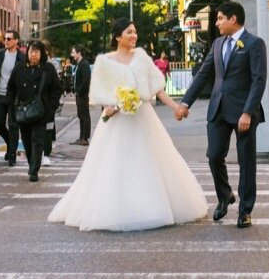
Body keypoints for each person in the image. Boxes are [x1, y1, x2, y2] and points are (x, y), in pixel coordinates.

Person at [48, 18, 207, 231]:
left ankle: (150, 207)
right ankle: (116, 208)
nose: (134, 36)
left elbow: (157, 88)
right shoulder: (106, 61)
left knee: (147, 160)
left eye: (135, 32)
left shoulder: (142, 58)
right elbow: (100, 92)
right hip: (116, 119)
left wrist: (175, 107)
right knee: (116, 163)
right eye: (129, 32)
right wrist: (111, 106)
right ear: (117, 37)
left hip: (142, 116)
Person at [180, 1, 267, 229]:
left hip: (243, 113)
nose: (217, 23)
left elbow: (259, 81)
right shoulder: (218, 44)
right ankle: (224, 195)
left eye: (219, 19)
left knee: (246, 162)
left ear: (233, 19)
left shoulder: (254, 44)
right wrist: (185, 102)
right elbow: (203, 75)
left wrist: (248, 112)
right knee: (214, 155)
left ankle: (245, 210)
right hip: (218, 110)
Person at [7, 40, 61, 182]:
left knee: (37, 140)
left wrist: (52, 106)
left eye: (36, 52)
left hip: (41, 112)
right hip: (23, 112)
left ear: (42, 53)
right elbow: (11, 88)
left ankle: (34, 170)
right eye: (31, 51)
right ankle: (32, 163)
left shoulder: (48, 69)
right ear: (27, 52)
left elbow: (56, 89)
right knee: (26, 140)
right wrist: (11, 105)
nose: (33, 55)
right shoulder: (19, 68)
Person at [0, 29, 25, 166]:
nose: (6, 41)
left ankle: (12, 155)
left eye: (9, 39)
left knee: (14, 125)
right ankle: (10, 143)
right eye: (5, 39)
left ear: (16, 41)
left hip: (14, 97)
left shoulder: (22, 58)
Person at [69, 44, 92, 146]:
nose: (72, 54)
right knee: (81, 115)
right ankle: (81, 137)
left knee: (84, 115)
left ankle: (85, 138)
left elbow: (86, 79)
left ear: (79, 53)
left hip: (82, 94)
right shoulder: (79, 64)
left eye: (73, 52)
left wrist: (79, 90)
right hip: (79, 94)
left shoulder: (84, 64)